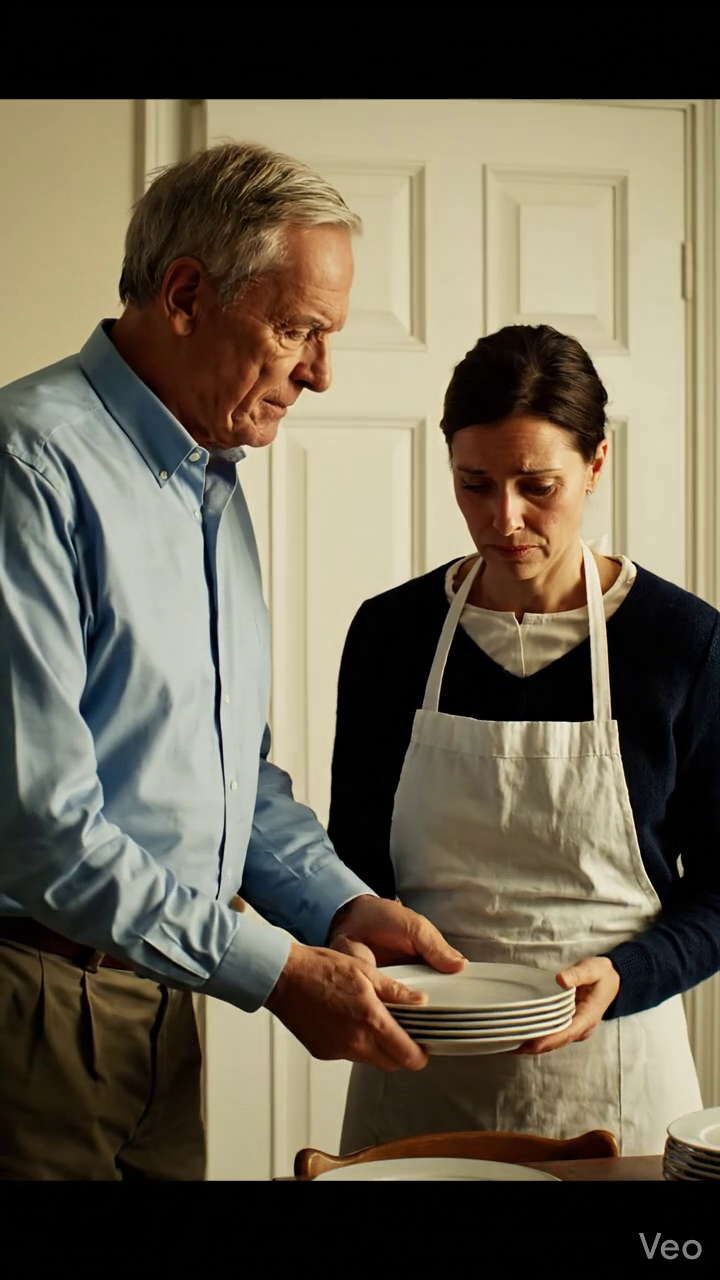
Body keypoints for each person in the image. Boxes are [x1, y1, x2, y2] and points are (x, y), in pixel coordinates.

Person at [0, 141, 464, 1181]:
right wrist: (278, 969)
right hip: (30, 1008)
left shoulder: (211, 482)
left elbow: (231, 780)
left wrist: (339, 907)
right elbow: (37, 827)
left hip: (169, 1005)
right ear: (184, 294)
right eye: (299, 328)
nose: (321, 372)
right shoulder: (26, 466)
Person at [330, 323, 720, 1157]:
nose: (503, 519)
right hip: (419, 1066)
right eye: (474, 485)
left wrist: (626, 979)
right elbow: (354, 859)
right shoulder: (391, 636)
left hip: (612, 1075)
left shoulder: (682, 643)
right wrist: (345, 943)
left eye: (536, 485)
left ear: (596, 465)